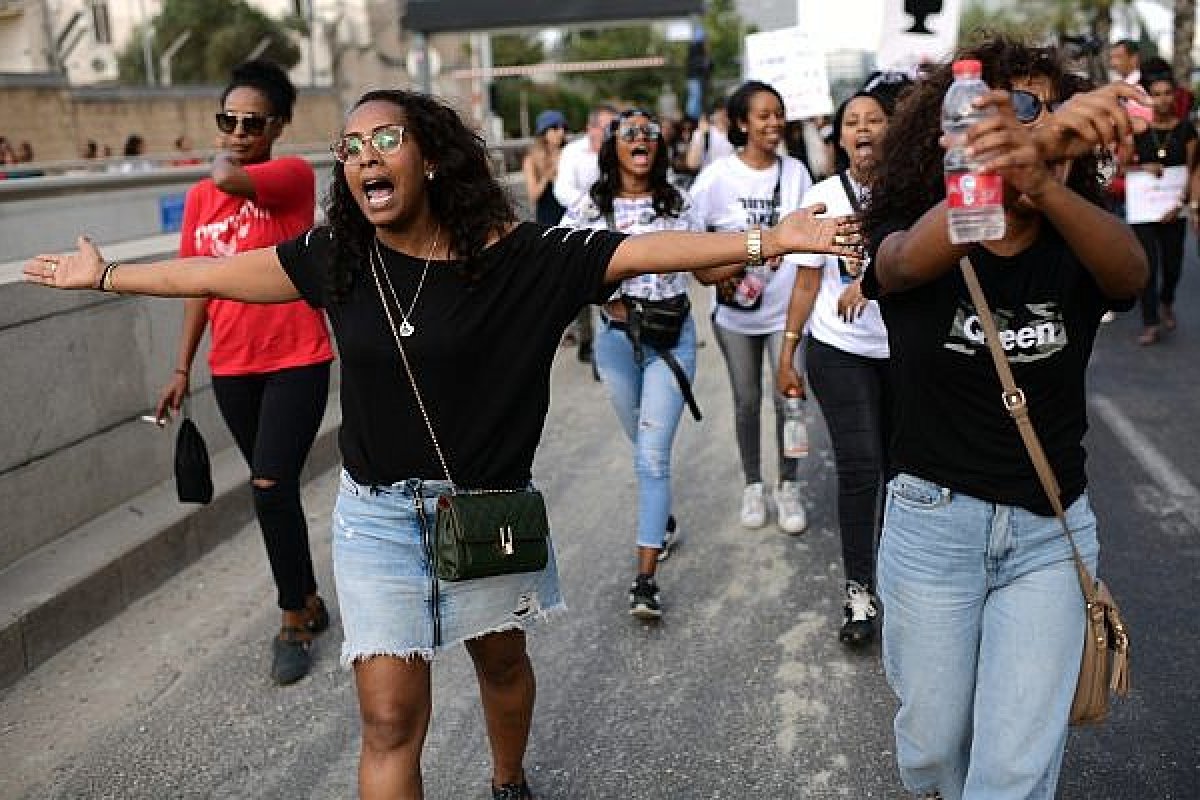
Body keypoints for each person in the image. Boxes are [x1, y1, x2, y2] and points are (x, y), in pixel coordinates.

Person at [26, 88, 859, 800]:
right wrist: (102, 276)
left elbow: (642, 250)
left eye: (386, 140)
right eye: (350, 149)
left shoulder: (522, 259)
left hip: (488, 511)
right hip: (377, 518)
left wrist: (773, 241)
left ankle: (508, 779)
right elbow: (210, 274)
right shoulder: (336, 260)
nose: (364, 159)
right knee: (389, 718)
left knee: (500, 665)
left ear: (431, 159)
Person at [861, 36, 1147, 800]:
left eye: (1049, 115)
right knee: (932, 750)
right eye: (1014, 109)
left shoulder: (1076, 226)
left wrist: (1044, 182)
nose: (1034, 128)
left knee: (1014, 771)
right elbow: (895, 267)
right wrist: (996, 169)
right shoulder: (908, 219)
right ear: (955, 127)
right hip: (932, 526)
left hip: (1049, 534)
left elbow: (1131, 274)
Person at [154, 60, 335, 686]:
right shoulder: (200, 197)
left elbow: (230, 178)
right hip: (232, 365)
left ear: (277, 126)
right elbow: (196, 284)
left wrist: (225, 162)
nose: (233, 131)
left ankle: (292, 618)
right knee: (274, 491)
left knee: (267, 483)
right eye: (224, 119)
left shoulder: (288, 176)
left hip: (297, 357)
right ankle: (309, 598)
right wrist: (182, 367)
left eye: (249, 122)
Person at [777, 80, 908, 646]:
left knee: (905, 470)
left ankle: (905, 583)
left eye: (873, 119)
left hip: (905, 351)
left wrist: (874, 283)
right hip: (839, 350)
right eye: (851, 121)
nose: (861, 128)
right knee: (860, 465)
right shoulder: (824, 195)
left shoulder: (912, 192)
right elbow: (807, 282)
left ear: (892, 130)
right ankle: (860, 593)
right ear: (839, 137)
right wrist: (787, 353)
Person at [561, 109, 702, 619]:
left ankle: (645, 582)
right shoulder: (587, 206)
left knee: (650, 457)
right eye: (629, 132)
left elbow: (706, 264)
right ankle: (661, 520)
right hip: (616, 343)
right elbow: (561, 266)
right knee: (642, 444)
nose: (640, 139)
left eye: (649, 131)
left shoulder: (680, 202)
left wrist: (761, 250)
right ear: (613, 147)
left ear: (659, 146)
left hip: (671, 340)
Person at [690, 80, 815, 534]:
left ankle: (790, 486)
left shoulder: (797, 173)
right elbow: (692, 237)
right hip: (736, 318)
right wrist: (723, 271)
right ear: (742, 123)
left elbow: (811, 248)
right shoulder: (717, 178)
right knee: (746, 402)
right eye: (763, 115)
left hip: (785, 312)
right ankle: (753, 485)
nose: (774, 123)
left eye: (779, 114)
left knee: (790, 403)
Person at [1126, 59, 1196, 344]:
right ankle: (1150, 321)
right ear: (1148, 97)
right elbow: (1120, 168)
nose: (1162, 99)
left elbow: (1193, 171)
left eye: (1167, 93)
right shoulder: (1139, 131)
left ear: (1174, 96)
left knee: (1172, 264)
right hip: (1144, 211)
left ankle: (1167, 301)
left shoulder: (1187, 131)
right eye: (1156, 94)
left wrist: (1181, 202)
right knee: (1147, 264)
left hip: (1173, 210)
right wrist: (1142, 168)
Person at [553, 104, 618, 364]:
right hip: (578, 223)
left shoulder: (617, 152)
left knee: (610, 285)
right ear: (592, 128)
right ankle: (586, 339)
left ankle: (608, 345)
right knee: (578, 285)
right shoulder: (573, 152)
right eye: (607, 127)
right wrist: (588, 203)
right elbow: (562, 188)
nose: (613, 132)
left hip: (612, 225)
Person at [521, 109, 567, 226]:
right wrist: (547, 174)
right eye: (555, 128)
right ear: (543, 132)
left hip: (572, 217)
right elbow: (533, 196)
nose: (561, 132)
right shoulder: (531, 160)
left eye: (563, 128)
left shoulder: (569, 153)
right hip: (548, 220)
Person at [685, 101, 734, 173]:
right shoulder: (702, 133)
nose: (724, 116)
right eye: (721, 112)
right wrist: (702, 134)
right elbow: (692, 164)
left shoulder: (738, 136)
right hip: (709, 180)